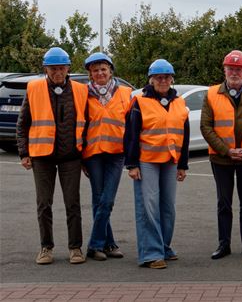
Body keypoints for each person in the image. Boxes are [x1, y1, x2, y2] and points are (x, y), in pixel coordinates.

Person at [17, 47, 88, 265]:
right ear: (45, 69)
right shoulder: (34, 88)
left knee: (73, 203)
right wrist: (24, 153)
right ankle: (46, 248)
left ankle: (75, 248)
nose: (57, 72)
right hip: (42, 156)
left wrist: (85, 155)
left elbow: (87, 124)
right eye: (53, 68)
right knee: (44, 204)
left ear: (68, 68)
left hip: (71, 156)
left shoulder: (81, 90)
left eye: (61, 68)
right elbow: (23, 124)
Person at [201, 50, 242, 260]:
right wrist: (226, 150)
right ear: (224, 69)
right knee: (224, 203)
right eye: (231, 68)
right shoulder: (212, 94)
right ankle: (224, 244)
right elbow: (206, 127)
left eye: (239, 69)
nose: (234, 73)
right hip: (221, 158)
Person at [124, 59, 189, 269]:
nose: (163, 81)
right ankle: (151, 253)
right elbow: (131, 134)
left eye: (166, 77)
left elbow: (185, 135)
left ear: (172, 79)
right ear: (151, 80)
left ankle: (164, 246)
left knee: (168, 207)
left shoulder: (179, 103)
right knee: (149, 206)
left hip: (170, 160)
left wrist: (182, 165)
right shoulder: (140, 102)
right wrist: (132, 164)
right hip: (147, 161)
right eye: (158, 78)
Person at [82, 52, 131, 261]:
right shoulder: (83, 94)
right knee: (99, 199)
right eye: (95, 70)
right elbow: (80, 126)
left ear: (111, 71)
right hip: (93, 154)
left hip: (116, 154)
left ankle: (95, 245)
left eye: (103, 69)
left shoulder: (126, 93)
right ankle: (109, 244)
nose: (100, 73)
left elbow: (132, 125)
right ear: (90, 74)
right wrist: (81, 157)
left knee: (107, 200)